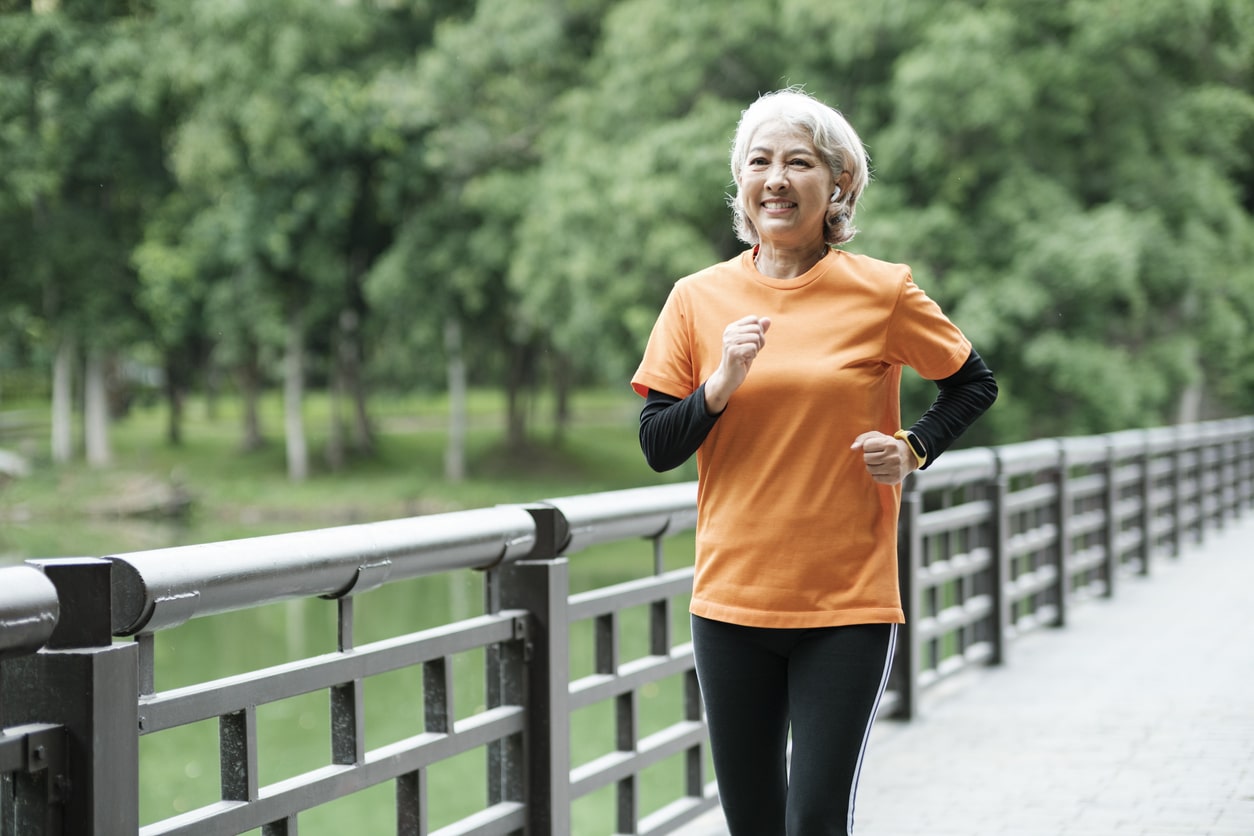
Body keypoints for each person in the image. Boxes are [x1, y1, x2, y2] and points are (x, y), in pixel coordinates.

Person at [630, 88, 998, 835]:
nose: (776, 178)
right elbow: (658, 444)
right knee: (755, 824)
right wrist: (720, 385)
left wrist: (913, 448)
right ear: (740, 184)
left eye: (799, 162)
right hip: (731, 601)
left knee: (817, 822)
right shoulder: (696, 299)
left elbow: (971, 381)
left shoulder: (882, 290)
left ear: (838, 185)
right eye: (759, 162)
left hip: (847, 604)